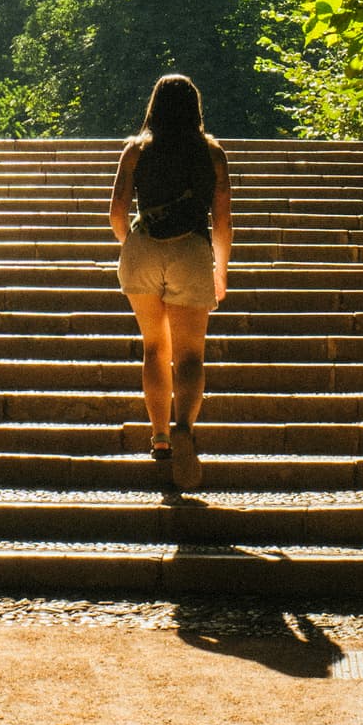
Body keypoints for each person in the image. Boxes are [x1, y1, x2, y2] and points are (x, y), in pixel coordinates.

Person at [110, 72, 231, 491]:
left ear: (154, 106)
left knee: (154, 349)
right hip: (191, 251)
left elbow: (116, 212)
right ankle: (184, 429)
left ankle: (159, 437)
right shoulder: (212, 154)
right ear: (195, 107)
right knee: (190, 355)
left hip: (143, 251)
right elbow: (223, 220)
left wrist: (137, 244)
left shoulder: (136, 150)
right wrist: (220, 269)